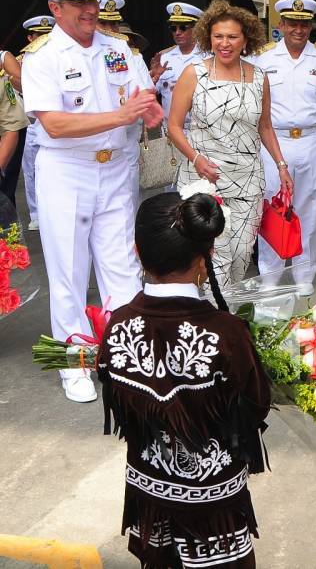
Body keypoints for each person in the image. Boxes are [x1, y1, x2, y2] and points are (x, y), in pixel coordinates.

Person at [97, 191, 271, 568]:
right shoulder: (227, 332)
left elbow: (121, 404)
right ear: (204, 259)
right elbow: (255, 406)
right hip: (213, 502)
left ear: (138, 252)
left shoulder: (119, 326)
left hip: (151, 489)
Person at [21, 0, 162, 403]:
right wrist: (120, 116)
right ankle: (77, 363)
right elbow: (55, 124)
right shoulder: (42, 57)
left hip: (117, 168)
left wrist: (148, 110)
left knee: (121, 264)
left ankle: (124, 356)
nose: (89, 10)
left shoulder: (119, 48)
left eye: (93, 1)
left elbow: (141, 96)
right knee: (69, 270)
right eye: (79, 3)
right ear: (55, 7)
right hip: (68, 170)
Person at [169, 0, 290, 289]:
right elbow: (172, 126)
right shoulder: (193, 74)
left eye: (232, 36)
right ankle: (215, 323)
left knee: (239, 257)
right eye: (218, 36)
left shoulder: (258, 77)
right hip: (204, 180)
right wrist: (196, 159)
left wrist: (281, 166)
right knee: (215, 258)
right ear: (208, 38)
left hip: (248, 181)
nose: (225, 43)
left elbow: (265, 126)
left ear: (246, 39)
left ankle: (227, 316)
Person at [250, 0, 316, 296]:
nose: (298, 29)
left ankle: (304, 274)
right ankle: (270, 275)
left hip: (313, 140)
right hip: (274, 141)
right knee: (272, 208)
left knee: (310, 208)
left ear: (311, 26)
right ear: (281, 25)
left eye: (304, 24)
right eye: (292, 23)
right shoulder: (263, 59)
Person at [97, 0, 155, 209]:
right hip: (90, 144)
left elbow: (147, 90)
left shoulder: (133, 56)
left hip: (125, 140)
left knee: (127, 197)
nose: (110, 28)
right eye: (103, 23)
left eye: (113, 23)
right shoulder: (78, 55)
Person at [16, 16, 55, 229]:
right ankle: (36, 213)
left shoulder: (57, 57)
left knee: (52, 169)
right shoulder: (20, 61)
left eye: (46, 34)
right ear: (30, 37)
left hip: (53, 123)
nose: (43, 39)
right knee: (30, 169)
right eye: (39, 35)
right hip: (31, 123)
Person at [149, 2, 205, 134]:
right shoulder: (164, 58)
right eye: (173, 29)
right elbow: (149, 93)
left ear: (196, 29)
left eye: (183, 28)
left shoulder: (208, 57)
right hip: (170, 130)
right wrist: (153, 77)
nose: (177, 33)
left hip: (200, 131)